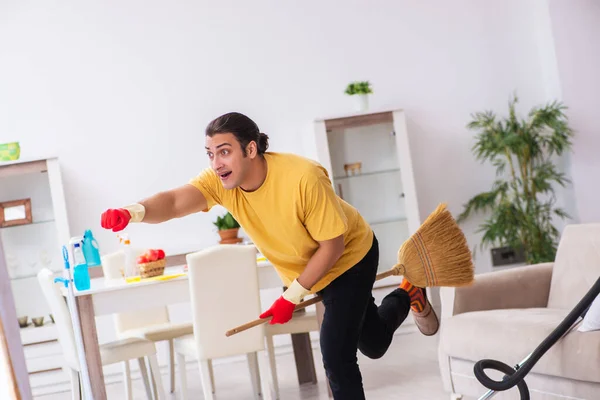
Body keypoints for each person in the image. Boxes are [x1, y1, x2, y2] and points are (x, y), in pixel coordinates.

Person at [100, 112, 439, 399]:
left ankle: (406, 296)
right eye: (210, 154)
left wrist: (292, 296)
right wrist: (134, 212)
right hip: (312, 267)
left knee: (336, 354)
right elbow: (174, 202)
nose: (216, 163)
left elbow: (332, 246)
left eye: (224, 152)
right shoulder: (220, 183)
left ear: (250, 149)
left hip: (350, 257)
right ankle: (409, 293)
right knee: (374, 342)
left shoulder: (303, 177)